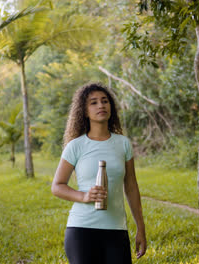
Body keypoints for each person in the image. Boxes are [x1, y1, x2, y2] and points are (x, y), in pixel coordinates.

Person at [51, 82, 147, 264]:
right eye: (93, 102)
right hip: (81, 229)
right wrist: (84, 196)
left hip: (116, 229)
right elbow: (57, 186)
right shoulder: (76, 146)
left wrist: (140, 228)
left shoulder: (123, 144)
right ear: (84, 111)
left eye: (105, 101)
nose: (101, 105)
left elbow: (131, 187)